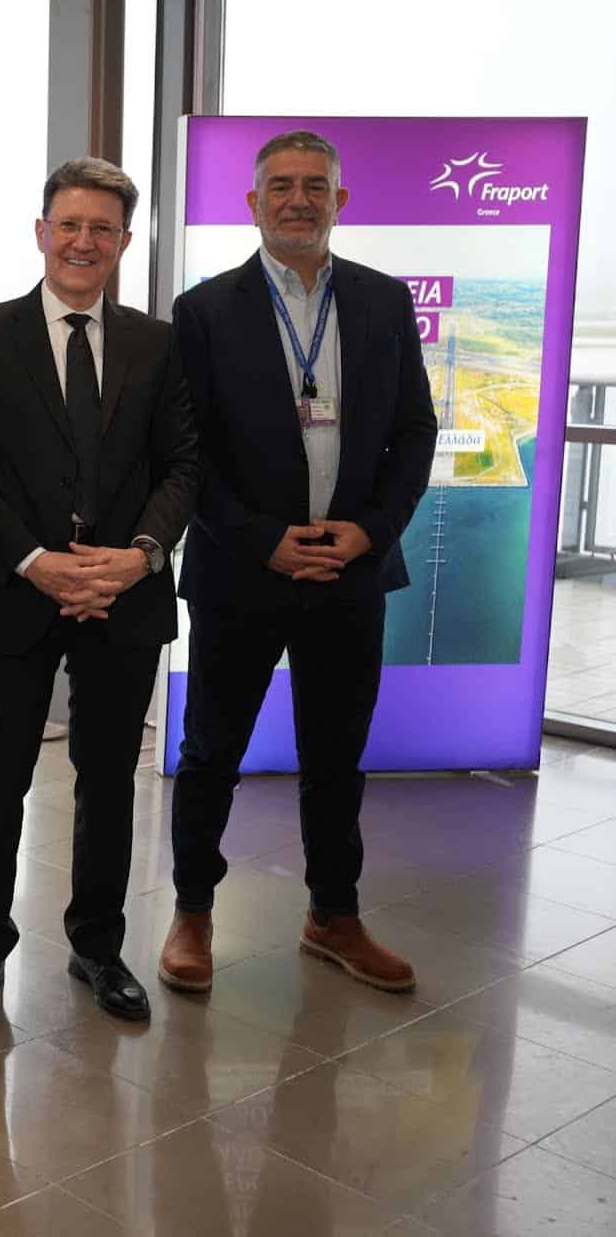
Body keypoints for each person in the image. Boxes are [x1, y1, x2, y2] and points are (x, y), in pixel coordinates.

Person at [162, 130, 436, 996]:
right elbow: (188, 452)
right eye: (280, 185)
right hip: (242, 571)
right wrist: (261, 539)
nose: (298, 199)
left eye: (315, 185)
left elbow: (415, 432)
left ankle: (333, 915)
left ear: (339, 201)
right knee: (211, 752)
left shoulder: (384, 301)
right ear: (253, 203)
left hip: (351, 572)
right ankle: (193, 910)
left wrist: (371, 532)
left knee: (336, 756)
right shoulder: (204, 311)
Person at [0, 157, 200, 1029]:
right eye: (70, 225)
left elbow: (184, 465)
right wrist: (34, 560)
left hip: (125, 594)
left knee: (110, 780)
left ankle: (97, 946)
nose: (83, 241)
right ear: (41, 232)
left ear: (124, 242)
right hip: (13, 591)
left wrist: (138, 557)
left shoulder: (159, 344)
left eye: (102, 228)